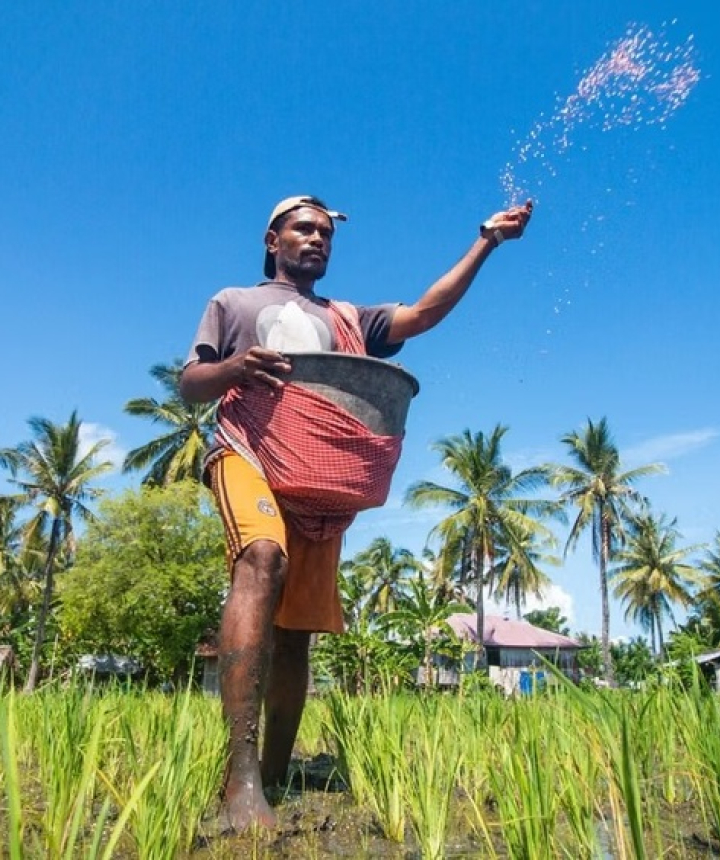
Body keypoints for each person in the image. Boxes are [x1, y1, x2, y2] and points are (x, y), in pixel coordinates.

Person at [180, 194, 533, 831]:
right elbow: (190, 383)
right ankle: (239, 780)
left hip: (317, 481)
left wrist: (486, 241)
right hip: (248, 452)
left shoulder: (349, 318)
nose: (316, 239)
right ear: (272, 238)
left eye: (325, 233)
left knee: (293, 631)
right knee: (261, 559)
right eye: (303, 229)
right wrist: (236, 367)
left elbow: (424, 314)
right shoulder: (233, 303)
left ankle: (277, 772)